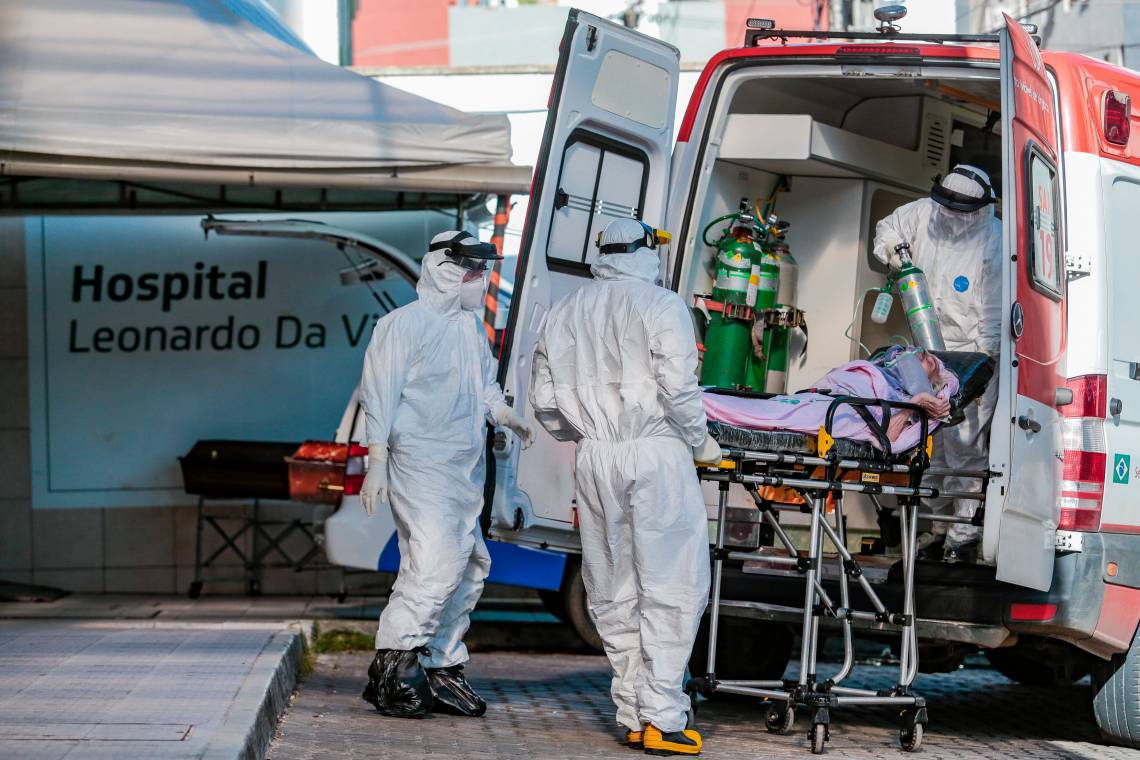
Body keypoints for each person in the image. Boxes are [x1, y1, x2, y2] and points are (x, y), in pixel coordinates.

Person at [529, 217, 721, 756]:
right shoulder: (662, 305)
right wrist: (700, 440)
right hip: (655, 453)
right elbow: (678, 388)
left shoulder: (566, 309)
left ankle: (635, 713)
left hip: (595, 457)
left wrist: (586, 434)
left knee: (612, 584)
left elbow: (544, 401)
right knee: (672, 583)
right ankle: (662, 716)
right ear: (645, 251)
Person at [357, 230, 535, 719]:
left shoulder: (469, 328)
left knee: (470, 565)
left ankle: (442, 666)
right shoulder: (401, 326)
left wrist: (504, 413)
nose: (481, 280)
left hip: (462, 468)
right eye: (473, 271)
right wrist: (376, 462)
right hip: (421, 463)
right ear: (444, 270)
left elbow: (483, 386)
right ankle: (392, 668)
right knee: (433, 564)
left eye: (483, 271)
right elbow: (379, 395)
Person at [872, 164, 1002, 562]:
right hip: (926, 351)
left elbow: (993, 315)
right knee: (931, 440)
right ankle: (937, 528)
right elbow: (887, 229)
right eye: (947, 206)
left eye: (960, 210)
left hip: (971, 354)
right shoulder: (923, 213)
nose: (951, 215)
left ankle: (962, 535)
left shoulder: (994, 240)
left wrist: (979, 372)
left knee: (965, 444)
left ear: (979, 209)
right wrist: (897, 253)